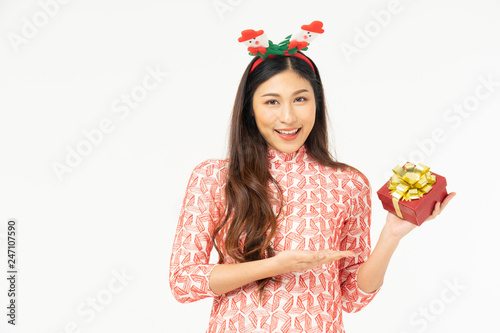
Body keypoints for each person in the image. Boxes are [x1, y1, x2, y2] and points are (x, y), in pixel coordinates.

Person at [169, 21, 456, 333]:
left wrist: (391, 234)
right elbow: (184, 280)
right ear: (250, 108)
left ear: (316, 102)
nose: (288, 117)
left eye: (301, 99)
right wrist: (274, 266)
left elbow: (352, 297)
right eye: (271, 102)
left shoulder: (348, 184)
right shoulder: (213, 177)